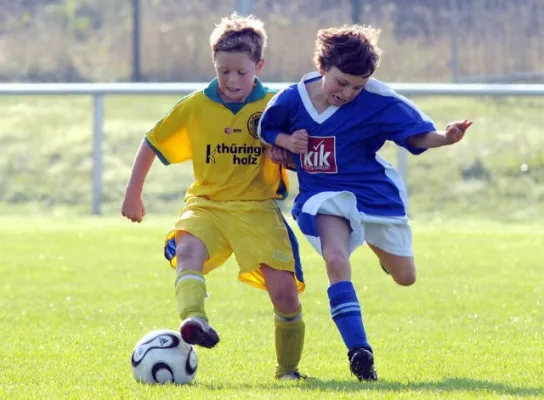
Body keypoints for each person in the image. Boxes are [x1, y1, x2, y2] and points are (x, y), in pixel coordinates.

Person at [258, 24, 472, 382]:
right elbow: (265, 129)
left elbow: (415, 133)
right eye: (342, 82)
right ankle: (360, 352)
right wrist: (283, 142)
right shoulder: (292, 99)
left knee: (406, 278)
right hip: (323, 196)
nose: (349, 92)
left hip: (372, 196)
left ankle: (376, 246)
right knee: (336, 261)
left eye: (357, 86)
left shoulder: (376, 99)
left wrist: (446, 139)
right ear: (323, 66)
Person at [121, 13, 308, 380]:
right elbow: (152, 142)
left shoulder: (276, 105)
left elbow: (301, 159)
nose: (231, 80)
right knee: (189, 248)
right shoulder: (195, 105)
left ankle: (288, 372)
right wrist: (132, 194)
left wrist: (286, 156)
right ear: (214, 65)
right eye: (223, 71)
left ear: (259, 65)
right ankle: (194, 320)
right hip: (206, 204)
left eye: (241, 72)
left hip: (257, 208)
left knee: (285, 293)